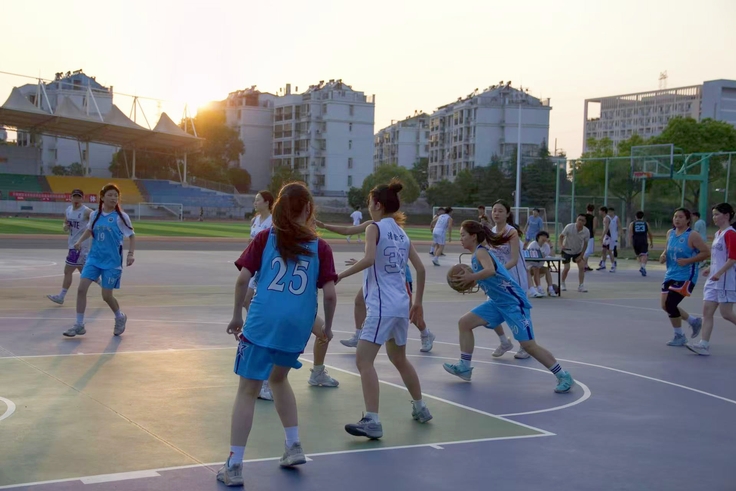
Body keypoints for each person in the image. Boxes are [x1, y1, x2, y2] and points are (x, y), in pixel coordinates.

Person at [218, 182, 338, 486]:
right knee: (279, 379)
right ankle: (293, 445)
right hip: (297, 326)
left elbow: (242, 280)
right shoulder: (320, 246)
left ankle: (234, 464)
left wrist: (236, 315)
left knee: (247, 390)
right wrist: (328, 326)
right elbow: (330, 294)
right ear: (309, 208)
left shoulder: (265, 238)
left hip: (263, 321)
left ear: (280, 207)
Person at [337, 180, 432, 440]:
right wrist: (417, 303)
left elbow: (369, 259)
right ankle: (421, 407)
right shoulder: (402, 233)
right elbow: (421, 269)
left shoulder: (374, 227)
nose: (368, 207)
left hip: (382, 306)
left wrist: (340, 275)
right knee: (399, 359)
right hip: (401, 304)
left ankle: (372, 420)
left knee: (363, 360)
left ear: (377, 205)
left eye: (370, 202)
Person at [443, 220, 575, 393]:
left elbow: (490, 270)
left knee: (528, 345)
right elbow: (489, 276)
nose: (460, 238)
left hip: (513, 302)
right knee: (464, 323)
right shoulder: (476, 254)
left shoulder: (481, 252)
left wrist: (471, 277)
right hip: (497, 302)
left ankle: (563, 375)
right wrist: (470, 280)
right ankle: (465, 367)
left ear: (473, 237)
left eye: (463, 235)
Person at [316, 218, 435, 352]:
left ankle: (425, 333)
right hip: (379, 275)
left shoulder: (393, 229)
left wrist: (343, 274)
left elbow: (377, 258)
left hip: (397, 277)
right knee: (359, 301)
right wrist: (324, 225)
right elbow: (347, 230)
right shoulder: (372, 225)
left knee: (409, 310)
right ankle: (358, 335)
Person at [63, 183, 135, 338]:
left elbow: (131, 235)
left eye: (116, 196)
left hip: (112, 262)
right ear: (102, 197)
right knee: (81, 289)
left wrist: (130, 254)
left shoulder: (121, 217)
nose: (113, 198)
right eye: (110, 195)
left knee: (106, 296)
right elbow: (89, 229)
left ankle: (119, 316)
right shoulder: (95, 215)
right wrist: (79, 242)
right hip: (94, 259)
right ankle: (79, 324)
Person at [689, 203, 736, 356]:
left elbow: (732, 258)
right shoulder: (718, 234)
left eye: (717, 214)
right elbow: (718, 257)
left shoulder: (731, 234)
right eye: (713, 214)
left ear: (727, 215)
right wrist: (710, 268)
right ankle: (703, 345)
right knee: (707, 311)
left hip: (725, 280)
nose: (714, 217)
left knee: (726, 313)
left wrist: (719, 273)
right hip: (713, 279)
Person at [658, 208, 709, 347]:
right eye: (675, 216)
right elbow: (667, 248)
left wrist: (688, 261)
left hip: (686, 276)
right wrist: (663, 255)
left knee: (670, 304)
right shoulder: (670, 233)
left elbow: (706, 252)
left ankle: (679, 335)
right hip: (670, 273)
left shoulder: (692, 235)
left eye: (680, 217)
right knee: (665, 306)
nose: (677, 219)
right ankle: (693, 321)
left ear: (687, 220)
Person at [488, 199, 530, 359]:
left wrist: (497, 271)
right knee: (490, 313)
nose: (496, 213)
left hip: (514, 279)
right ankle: (504, 341)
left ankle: (525, 346)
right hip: (497, 280)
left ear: (507, 214)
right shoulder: (491, 232)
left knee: (518, 315)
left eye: (500, 211)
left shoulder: (511, 232)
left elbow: (513, 260)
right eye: (494, 210)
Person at [47, 189, 93, 305]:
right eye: (74, 197)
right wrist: (65, 226)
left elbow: (96, 218)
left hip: (79, 247)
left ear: (82, 198)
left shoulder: (86, 211)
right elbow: (65, 222)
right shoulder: (68, 210)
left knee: (68, 271)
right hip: (72, 244)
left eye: (79, 197)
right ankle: (105, 287)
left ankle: (61, 296)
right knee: (84, 271)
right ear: (71, 198)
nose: (76, 199)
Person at [559, 215, 590, 292]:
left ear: (585, 222)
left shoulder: (586, 231)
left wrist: (581, 255)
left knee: (582, 267)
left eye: (582, 220)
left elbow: (585, 244)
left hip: (578, 251)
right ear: (576, 220)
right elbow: (561, 236)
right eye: (579, 219)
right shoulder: (569, 227)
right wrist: (561, 245)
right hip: (567, 250)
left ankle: (581, 286)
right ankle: (562, 283)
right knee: (567, 268)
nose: (580, 222)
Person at [527, 231, 557, 297]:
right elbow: (530, 255)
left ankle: (550, 289)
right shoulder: (533, 244)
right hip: (530, 266)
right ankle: (539, 288)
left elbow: (552, 255)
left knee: (546, 269)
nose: (544, 238)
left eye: (546, 237)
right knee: (536, 268)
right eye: (542, 236)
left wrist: (550, 245)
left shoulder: (546, 246)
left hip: (539, 265)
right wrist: (540, 255)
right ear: (538, 237)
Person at [628, 211, 654, 276]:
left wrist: (630, 242)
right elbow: (650, 234)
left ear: (635, 216)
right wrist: (651, 242)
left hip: (635, 241)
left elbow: (631, 234)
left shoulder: (632, 224)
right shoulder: (646, 223)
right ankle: (643, 266)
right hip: (643, 240)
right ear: (642, 217)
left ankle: (642, 266)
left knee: (639, 255)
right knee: (644, 255)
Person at [598, 207, 619, 272]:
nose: (599, 212)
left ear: (603, 211)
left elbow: (606, 228)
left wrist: (602, 237)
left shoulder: (606, 218)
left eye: (600, 211)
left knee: (610, 251)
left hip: (610, 237)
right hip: (607, 237)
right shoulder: (605, 218)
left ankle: (613, 266)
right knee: (603, 250)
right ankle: (603, 264)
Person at [583, 203, 597, 271]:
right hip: (590, 235)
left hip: (582, 234)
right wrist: (593, 234)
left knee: (585, 250)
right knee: (588, 251)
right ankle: (583, 265)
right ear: (593, 210)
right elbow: (594, 228)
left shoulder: (583, 217)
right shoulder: (594, 218)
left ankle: (586, 265)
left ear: (586, 209)